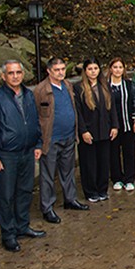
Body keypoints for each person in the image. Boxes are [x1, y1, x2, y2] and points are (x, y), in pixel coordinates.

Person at [0, 61, 45, 252]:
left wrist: (38, 143)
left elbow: (35, 121)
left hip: (27, 152)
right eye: (11, 73)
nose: (15, 76)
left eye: (19, 72)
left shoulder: (28, 95)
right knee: (6, 196)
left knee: (25, 191)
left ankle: (22, 226)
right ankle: (8, 234)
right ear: (4, 76)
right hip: (6, 154)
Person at [33, 57, 86, 225]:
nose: (61, 72)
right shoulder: (41, 90)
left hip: (69, 136)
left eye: (63, 69)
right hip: (51, 138)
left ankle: (70, 199)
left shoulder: (67, 85)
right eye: (57, 70)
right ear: (49, 71)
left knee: (68, 170)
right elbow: (36, 116)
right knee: (48, 175)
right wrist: (39, 141)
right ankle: (47, 207)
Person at [74, 57, 118, 202]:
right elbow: (78, 112)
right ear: (85, 71)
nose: (93, 72)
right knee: (89, 163)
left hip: (104, 130)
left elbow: (112, 109)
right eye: (90, 69)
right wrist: (83, 131)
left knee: (104, 162)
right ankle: (90, 191)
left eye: (95, 68)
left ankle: (102, 189)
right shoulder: (79, 88)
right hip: (88, 131)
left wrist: (114, 126)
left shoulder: (104, 86)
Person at [108, 57, 135, 192]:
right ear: (110, 69)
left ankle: (129, 179)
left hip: (127, 123)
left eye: (120, 67)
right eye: (115, 67)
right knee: (113, 153)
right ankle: (117, 179)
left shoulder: (129, 84)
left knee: (129, 152)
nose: (118, 70)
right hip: (112, 126)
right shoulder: (105, 86)